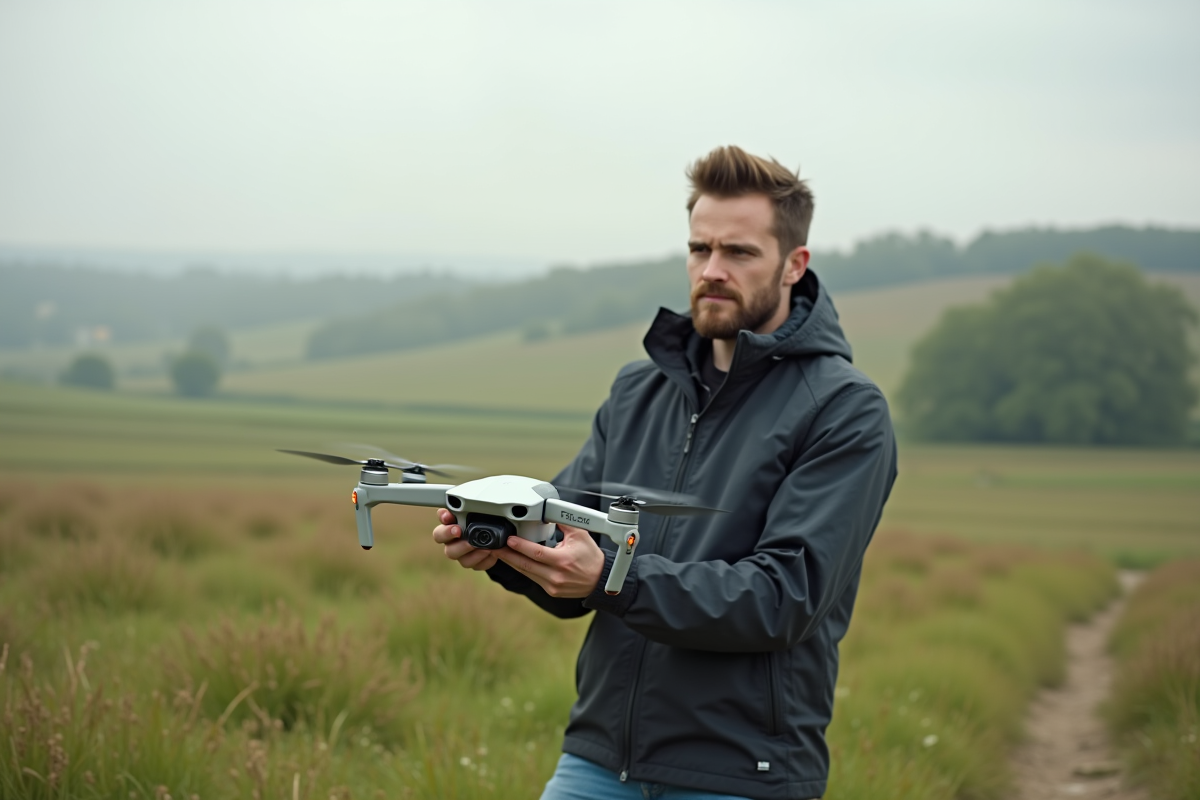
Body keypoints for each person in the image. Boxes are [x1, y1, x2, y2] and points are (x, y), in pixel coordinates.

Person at [432, 145, 897, 800]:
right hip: (598, 760)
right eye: (699, 249)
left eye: (739, 253)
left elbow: (783, 598)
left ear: (795, 265)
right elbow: (571, 545)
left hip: (742, 773)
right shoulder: (636, 392)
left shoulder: (845, 410)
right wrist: (503, 550)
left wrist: (612, 577)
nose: (712, 270)